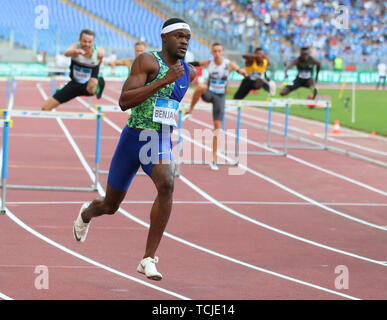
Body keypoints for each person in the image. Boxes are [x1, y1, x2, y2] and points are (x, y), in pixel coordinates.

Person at [73, 18, 196, 281]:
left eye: (188, 37)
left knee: (167, 183)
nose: (185, 41)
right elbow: (123, 101)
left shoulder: (190, 72)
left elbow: (169, 106)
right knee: (110, 204)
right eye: (179, 36)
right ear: (164, 38)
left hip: (158, 139)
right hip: (132, 139)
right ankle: (86, 213)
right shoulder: (147, 62)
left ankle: (148, 258)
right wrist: (162, 81)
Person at [183, 42, 247, 170]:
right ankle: (190, 111)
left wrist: (244, 73)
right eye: (215, 51)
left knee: (218, 128)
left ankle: (213, 159)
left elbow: (240, 70)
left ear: (222, 52)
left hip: (220, 97)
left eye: (219, 51)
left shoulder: (228, 64)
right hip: (209, 94)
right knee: (201, 87)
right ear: (212, 53)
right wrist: (180, 62)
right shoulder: (209, 63)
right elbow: (194, 63)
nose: (217, 53)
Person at [41, 29, 105, 111]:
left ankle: (98, 86)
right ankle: (63, 89)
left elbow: (99, 63)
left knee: (92, 84)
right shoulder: (75, 47)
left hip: (88, 86)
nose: (87, 44)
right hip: (74, 84)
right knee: (45, 108)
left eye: (90, 42)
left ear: (93, 41)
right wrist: (76, 52)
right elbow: (67, 53)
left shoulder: (99, 52)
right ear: (79, 40)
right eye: (84, 41)